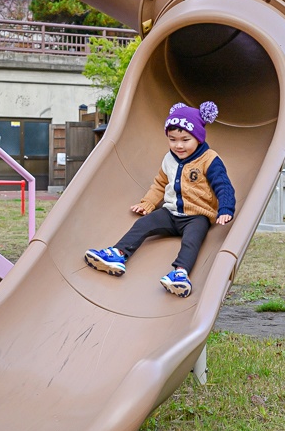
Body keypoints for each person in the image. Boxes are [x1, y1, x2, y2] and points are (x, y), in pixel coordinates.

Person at [84, 101, 235, 298]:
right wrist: (148, 202)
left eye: (185, 139)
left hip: (196, 216)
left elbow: (223, 185)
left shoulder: (209, 159)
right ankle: (118, 254)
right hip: (170, 213)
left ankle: (180, 274)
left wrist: (225, 209)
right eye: (172, 139)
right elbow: (160, 184)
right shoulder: (169, 159)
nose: (178, 145)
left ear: (198, 138)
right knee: (144, 224)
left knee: (192, 241)